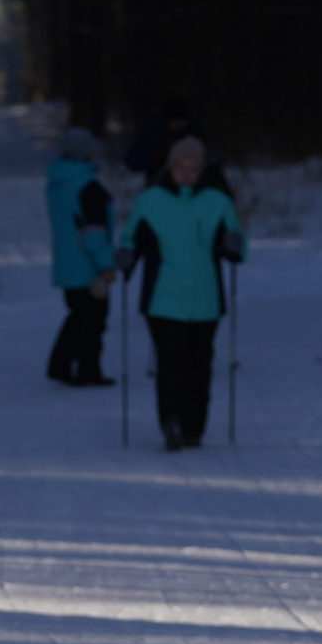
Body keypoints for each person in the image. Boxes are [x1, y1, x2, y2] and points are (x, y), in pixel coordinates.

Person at [117, 136, 245, 450]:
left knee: (200, 367)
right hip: (164, 301)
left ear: (202, 170)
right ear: (170, 168)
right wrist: (126, 254)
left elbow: (238, 243)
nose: (187, 173)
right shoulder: (151, 201)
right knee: (171, 365)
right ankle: (171, 422)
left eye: (193, 168)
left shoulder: (218, 202)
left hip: (206, 302)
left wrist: (233, 244)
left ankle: (194, 428)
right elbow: (131, 237)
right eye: (181, 167)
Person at [45, 126, 116, 386]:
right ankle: (87, 371)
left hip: (68, 265)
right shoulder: (88, 186)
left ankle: (62, 367)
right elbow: (94, 233)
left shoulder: (57, 182)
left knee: (78, 316)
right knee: (92, 321)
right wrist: (106, 265)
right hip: (88, 267)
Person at [124, 94, 231, 194]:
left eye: (182, 121)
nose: (178, 125)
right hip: (161, 191)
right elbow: (132, 160)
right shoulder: (154, 134)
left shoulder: (197, 133)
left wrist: (205, 154)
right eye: (175, 121)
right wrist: (156, 157)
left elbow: (216, 161)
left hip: (196, 193)